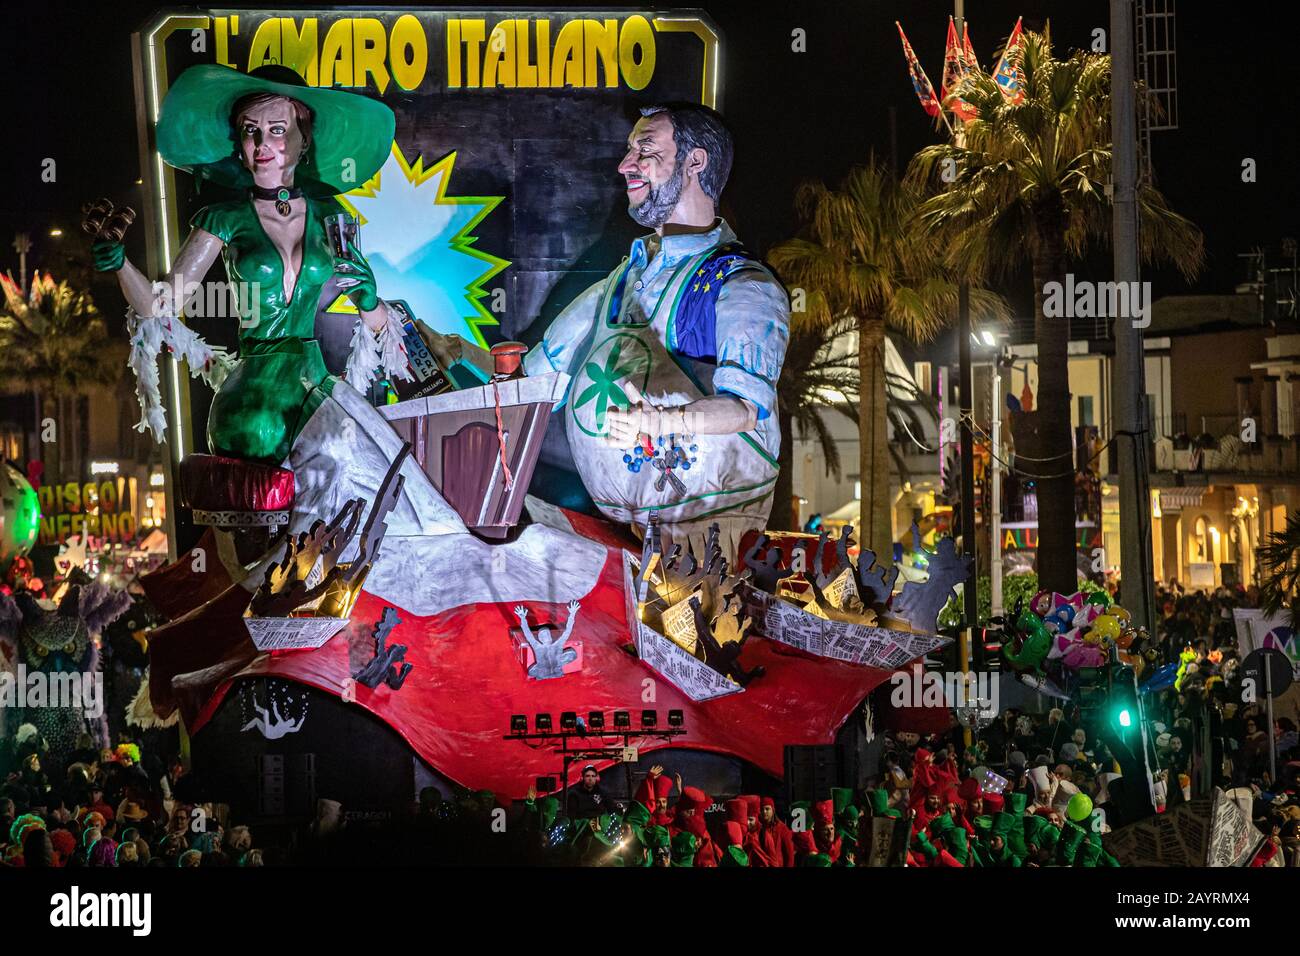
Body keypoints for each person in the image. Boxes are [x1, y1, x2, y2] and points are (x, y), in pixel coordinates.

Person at [100, 63, 456, 539]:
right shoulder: (224, 217)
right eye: (251, 132)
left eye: (276, 129)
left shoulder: (332, 215)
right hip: (253, 399)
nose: (263, 143)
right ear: (240, 146)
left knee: (383, 470)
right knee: (326, 460)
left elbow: (375, 324)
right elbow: (163, 308)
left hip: (314, 385)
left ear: (301, 140)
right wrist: (120, 264)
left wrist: (370, 301)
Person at [428, 103, 790, 560]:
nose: (625, 165)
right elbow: (533, 385)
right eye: (627, 150)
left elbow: (745, 408)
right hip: (624, 540)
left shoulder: (740, 284)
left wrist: (660, 422)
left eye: (645, 148)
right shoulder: (618, 284)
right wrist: (456, 350)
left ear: (695, 161)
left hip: (712, 543)